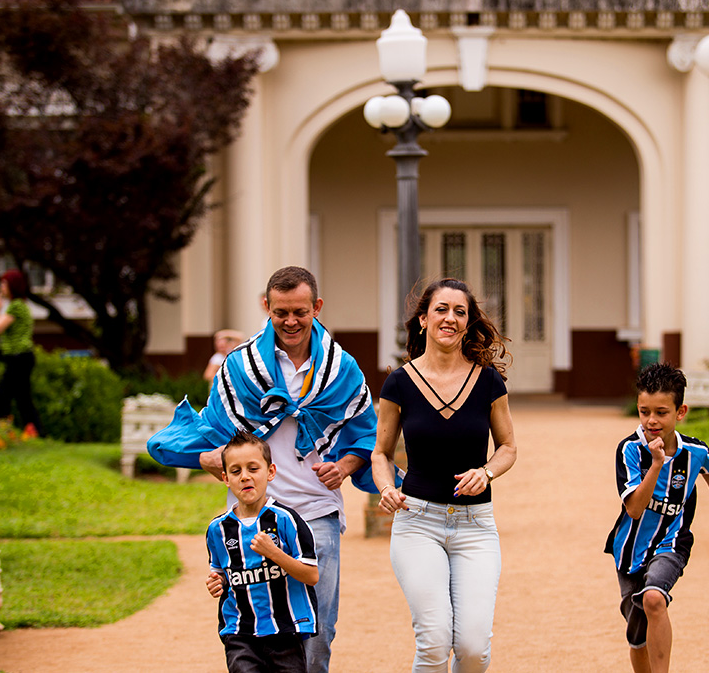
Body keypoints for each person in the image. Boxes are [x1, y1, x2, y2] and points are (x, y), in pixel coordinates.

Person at [148, 266, 384, 673]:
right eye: (281, 312)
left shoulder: (342, 368)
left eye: (300, 311)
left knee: (318, 632)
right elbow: (215, 436)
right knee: (254, 632)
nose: (290, 321)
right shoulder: (239, 368)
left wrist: (345, 466)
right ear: (266, 308)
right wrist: (209, 459)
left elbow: (367, 434)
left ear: (317, 307)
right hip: (251, 518)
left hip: (316, 512)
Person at [372, 277, 518, 673]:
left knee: (473, 648)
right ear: (423, 320)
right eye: (441, 309)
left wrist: (486, 473)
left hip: (476, 526)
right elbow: (381, 453)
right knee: (434, 643)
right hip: (417, 522)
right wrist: (386, 487)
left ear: (468, 323)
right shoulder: (398, 383)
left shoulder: (489, 381)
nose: (450, 318)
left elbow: (508, 447)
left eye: (460, 312)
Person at [604, 363, 709, 673]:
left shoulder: (695, 451)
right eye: (644, 411)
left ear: (680, 411)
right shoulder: (630, 451)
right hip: (630, 548)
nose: (652, 420)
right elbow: (634, 509)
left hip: (672, 540)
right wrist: (657, 465)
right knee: (637, 639)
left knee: (654, 600)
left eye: (661, 412)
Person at [206, 430, 319, 673]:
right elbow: (221, 572)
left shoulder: (287, 520)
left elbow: (311, 575)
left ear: (270, 472)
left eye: (253, 468)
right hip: (239, 631)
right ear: (226, 478)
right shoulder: (218, 529)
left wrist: (275, 553)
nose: (245, 476)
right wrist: (218, 582)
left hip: (285, 630)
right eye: (236, 471)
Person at [0, 269, 41, 435]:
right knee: (22, 398)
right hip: (21, 358)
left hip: (19, 357)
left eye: (4, 284)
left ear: (12, 285)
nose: (2, 288)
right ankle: (35, 431)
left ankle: (2, 432)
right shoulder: (18, 306)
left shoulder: (16, 306)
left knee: (3, 396)